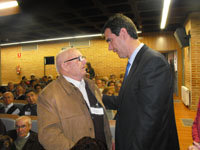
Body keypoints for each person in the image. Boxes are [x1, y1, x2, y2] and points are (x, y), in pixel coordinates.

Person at [101, 13, 179, 150]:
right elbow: (125, 101)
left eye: (110, 40)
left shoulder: (153, 62)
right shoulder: (135, 62)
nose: (110, 47)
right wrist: (98, 97)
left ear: (123, 33)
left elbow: (150, 120)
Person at [37, 48, 112, 150]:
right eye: (79, 59)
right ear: (65, 66)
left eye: (83, 58)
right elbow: (48, 134)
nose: (85, 61)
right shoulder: (49, 95)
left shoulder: (92, 86)